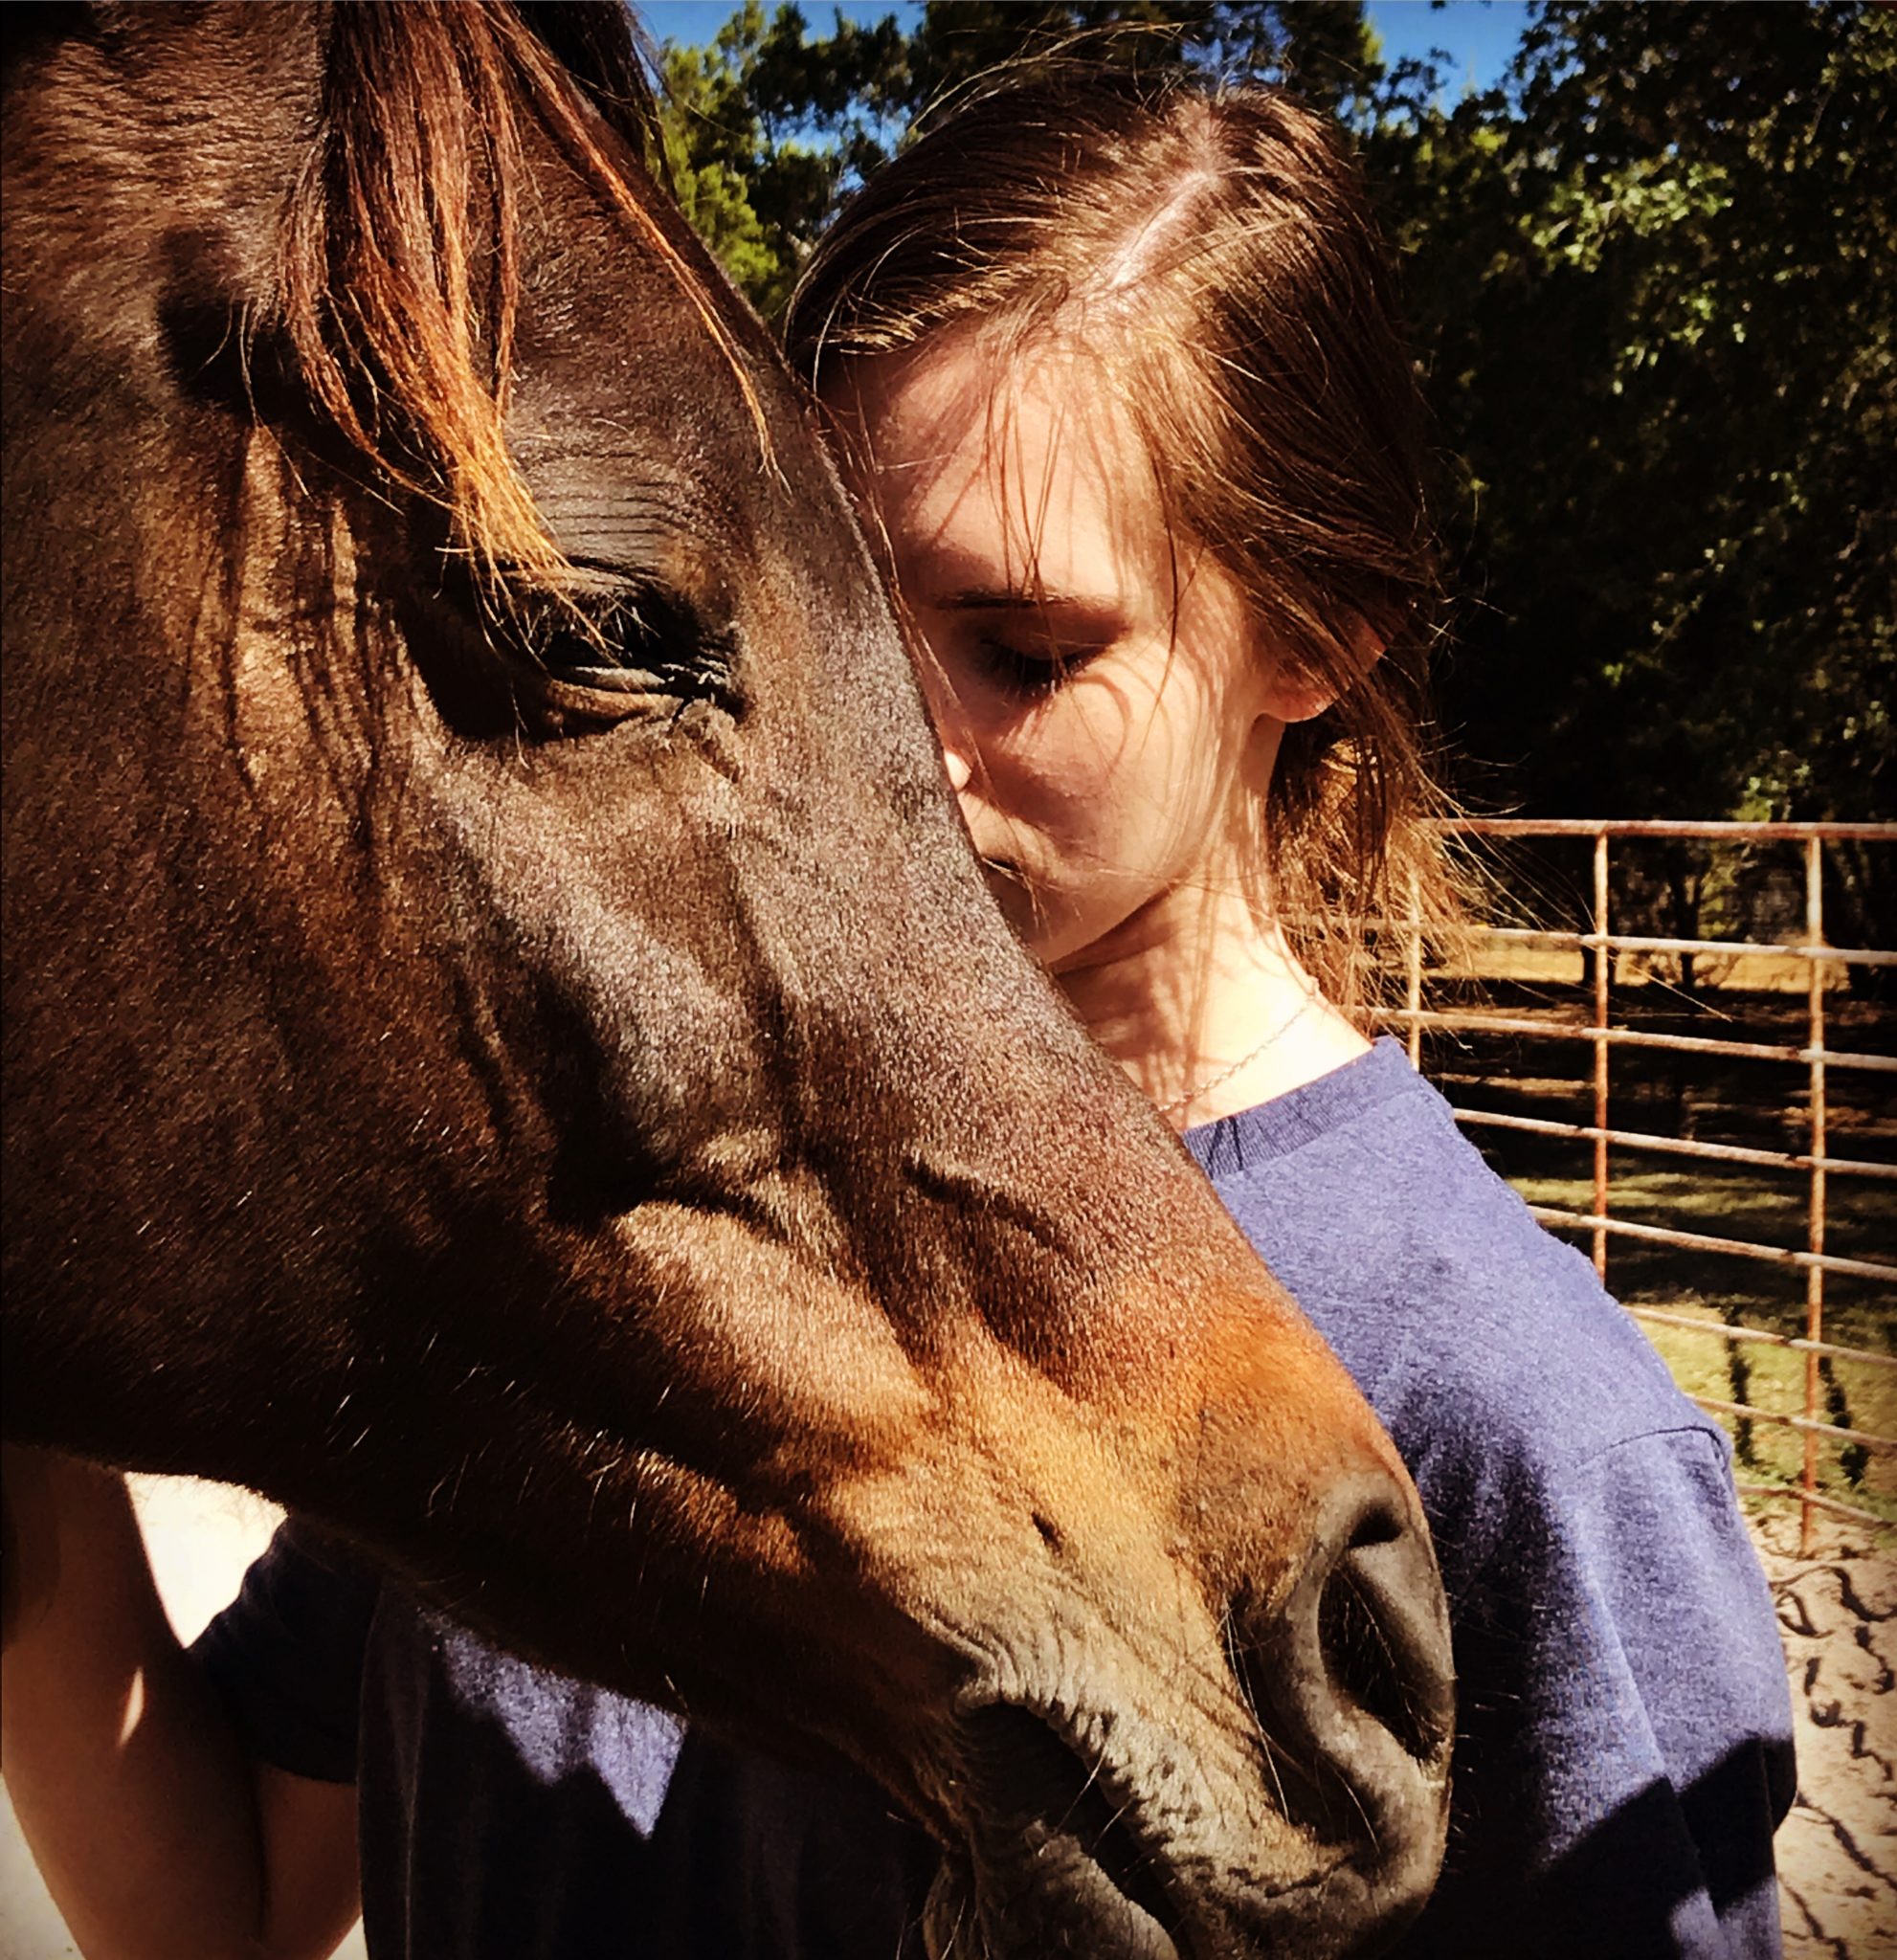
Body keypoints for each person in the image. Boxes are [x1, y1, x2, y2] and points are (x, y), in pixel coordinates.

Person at [2, 65, 1794, 1960]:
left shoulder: (1524, 1447)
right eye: (838, 628)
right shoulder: (611, 1197)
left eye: (1024, 653)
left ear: (1314, 636)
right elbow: (216, 1908)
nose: (894, 756)